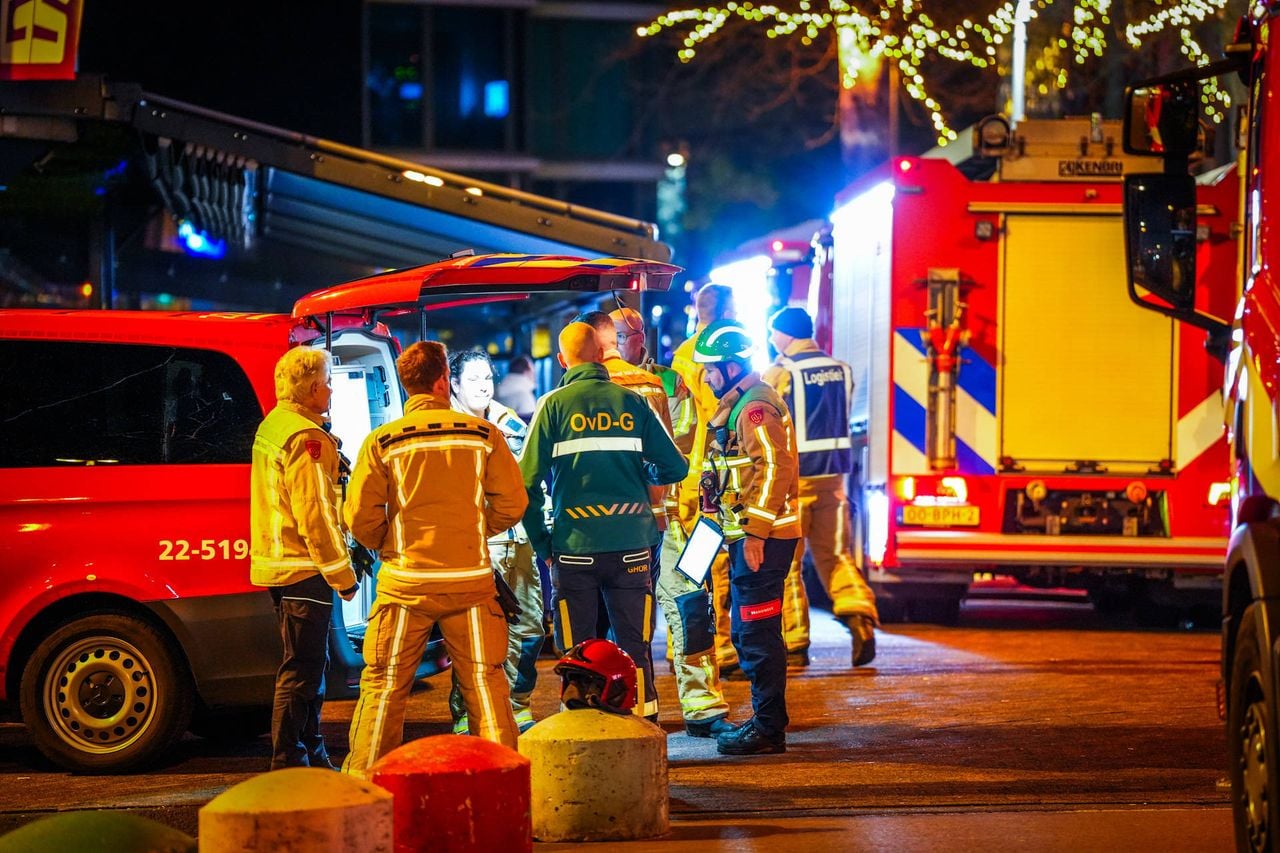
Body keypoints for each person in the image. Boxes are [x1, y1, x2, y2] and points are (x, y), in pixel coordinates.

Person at [342, 341, 527, 778]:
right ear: (444, 380)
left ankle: (365, 786)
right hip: (471, 583)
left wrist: (390, 543)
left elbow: (360, 519)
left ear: (407, 384)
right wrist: (472, 532)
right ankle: (505, 781)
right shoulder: (484, 436)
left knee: (385, 686)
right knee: (485, 682)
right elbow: (512, 503)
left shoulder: (382, 442)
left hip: (406, 585)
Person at [520, 322, 688, 720]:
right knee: (636, 643)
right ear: (601, 355)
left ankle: (581, 731)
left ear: (563, 361)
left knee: (577, 649)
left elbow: (524, 485)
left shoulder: (553, 406)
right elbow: (675, 466)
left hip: (574, 550)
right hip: (633, 547)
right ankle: (645, 725)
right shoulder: (633, 403)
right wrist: (641, 482)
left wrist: (544, 544)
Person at [608, 306, 734, 738]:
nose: (631, 342)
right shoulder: (597, 383)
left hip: (681, 516)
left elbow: (683, 446)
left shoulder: (669, 381)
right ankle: (631, 704)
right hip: (632, 521)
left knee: (693, 607)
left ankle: (703, 704)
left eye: (635, 334)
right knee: (627, 620)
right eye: (622, 335)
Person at [693, 320, 801, 755]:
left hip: (764, 539)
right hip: (749, 536)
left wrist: (755, 532)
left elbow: (776, 468)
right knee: (748, 630)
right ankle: (764, 720)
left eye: (712, 369)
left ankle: (769, 728)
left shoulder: (756, 408)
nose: (707, 377)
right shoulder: (739, 404)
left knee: (756, 632)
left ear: (734, 366)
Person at [250, 347, 359, 771]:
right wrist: (343, 575)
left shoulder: (275, 426)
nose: (331, 390)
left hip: (281, 566)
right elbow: (315, 514)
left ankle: (310, 754)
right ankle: (289, 762)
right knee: (302, 672)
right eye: (328, 382)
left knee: (309, 667)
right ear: (314, 388)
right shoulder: (306, 438)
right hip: (302, 567)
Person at [763, 307, 880, 667]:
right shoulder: (842, 370)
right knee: (836, 556)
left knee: (788, 564)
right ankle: (859, 617)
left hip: (797, 482)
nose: (771, 341)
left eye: (773, 334)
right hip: (835, 481)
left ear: (785, 334)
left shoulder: (780, 372)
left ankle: (796, 644)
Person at [446, 350, 544, 734]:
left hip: (520, 545)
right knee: (474, 636)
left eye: (487, 377)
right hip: (477, 547)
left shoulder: (509, 422)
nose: (483, 385)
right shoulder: (448, 427)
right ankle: (467, 715)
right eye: (473, 379)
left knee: (530, 628)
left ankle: (516, 707)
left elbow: (530, 483)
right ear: (454, 384)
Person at [670, 284, 740, 675]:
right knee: (719, 562)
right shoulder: (726, 349)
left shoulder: (682, 355)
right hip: (718, 471)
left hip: (690, 474)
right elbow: (724, 412)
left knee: (693, 562)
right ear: (727, 309)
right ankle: (720, 647)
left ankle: (685, 643)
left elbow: (679, 420)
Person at [496, 354, 538, 423]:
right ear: (526, 372)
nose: (534, 377)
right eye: (533, 372)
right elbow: (531, 427)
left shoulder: (495, 392)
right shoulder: (524, 397)